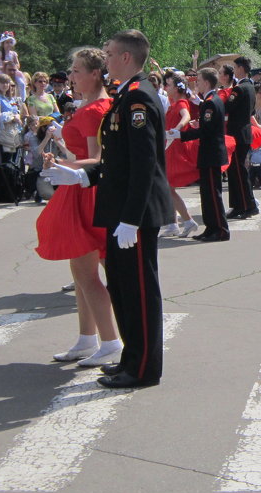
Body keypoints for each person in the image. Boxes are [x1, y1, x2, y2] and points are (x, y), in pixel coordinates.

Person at [41, 30, 175, 389]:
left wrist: (131, 218)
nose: (106, 58)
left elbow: (145, 163)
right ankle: (130, 359)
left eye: (111, 53)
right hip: (119, 209)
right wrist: (81, 178)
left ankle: (144, 368)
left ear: (126, 58)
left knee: (140, 293)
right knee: (123, 289)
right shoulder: (126, 96)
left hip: (135, 213)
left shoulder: (138, 99)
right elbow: (117, 160)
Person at [34, 47, 122, 366]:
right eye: (72, 70)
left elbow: (98, 159)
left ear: (94, 73)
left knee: (86, 273)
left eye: (76, 70)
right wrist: (62, 160)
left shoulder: (95, 109)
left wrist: (62, 162)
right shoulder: (92, 106)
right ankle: (87, 339)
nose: (71, 76)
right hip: (80, 187)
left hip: (86, 192)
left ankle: (111, 341)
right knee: (79, 269)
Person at [170, 67, 229, 242]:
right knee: (207, 194)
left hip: (211, 153)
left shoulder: (210, 102)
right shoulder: (209, 100)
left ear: (206, 82)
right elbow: (207, 127)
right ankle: (211, 228)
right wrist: (199, 125)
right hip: (209, 153)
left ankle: (220, 230)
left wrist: (181, 135)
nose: (197, 83)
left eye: (199, 80)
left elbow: (207, 131)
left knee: (213, 195)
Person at [161, 74, 201, 237]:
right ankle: (173, 223)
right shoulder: (172, 103)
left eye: (168, 85)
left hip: (175, 148)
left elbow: (187, 116)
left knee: (168, 187)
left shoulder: (181, 103)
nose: (165, 88)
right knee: (167, 187)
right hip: (170, 147)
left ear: (178, 88)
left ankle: (187, 221)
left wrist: (176, 129)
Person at [223, 57, 259, 218]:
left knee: (238, 172)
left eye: (236, 67)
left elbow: (227, 107)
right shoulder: (250, 87)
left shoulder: (240, 89)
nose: (235, 70)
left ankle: (247, 205)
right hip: (243, 132)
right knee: (236, 171)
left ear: (241, 68)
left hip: (237, 133)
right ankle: (239, 205)